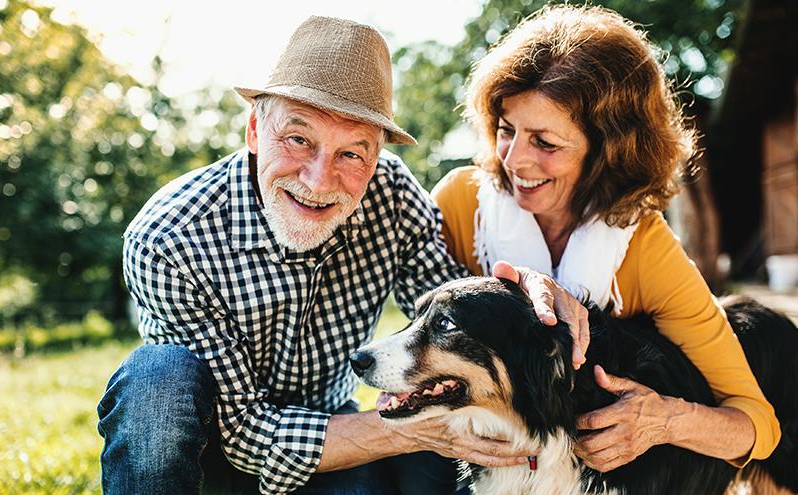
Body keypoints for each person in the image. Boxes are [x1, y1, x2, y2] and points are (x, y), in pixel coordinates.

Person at [96, 15, 588, 495]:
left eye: (351, 153)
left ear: (376, 158)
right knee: (155, 382)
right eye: (298, 138)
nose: (317, 179)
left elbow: (458, 311)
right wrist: (409, 431)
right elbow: (242, 432)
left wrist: (530, 295)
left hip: (333, 441)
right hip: (208, 455)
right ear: (253, 131)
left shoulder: (391, 195)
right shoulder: (169, 237)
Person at [432, 4, 781, 473]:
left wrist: (663, 420)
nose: (515, 160)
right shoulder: (460, 202)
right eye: (506, 130)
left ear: (607, 153)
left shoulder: (646, 249)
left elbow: (756, 426)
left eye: (545, 143)